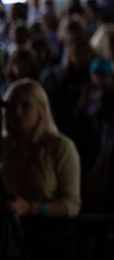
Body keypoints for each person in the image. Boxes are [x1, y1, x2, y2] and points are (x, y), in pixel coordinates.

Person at [0, 78, 82, 260]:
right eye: (11, 107)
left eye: (25, 106)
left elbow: (72, 205)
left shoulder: (61, 147)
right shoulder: (5, 146)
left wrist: (30, 208)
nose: (17, 112)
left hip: (49, 238)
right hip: (11, 236)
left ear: (41, 110)